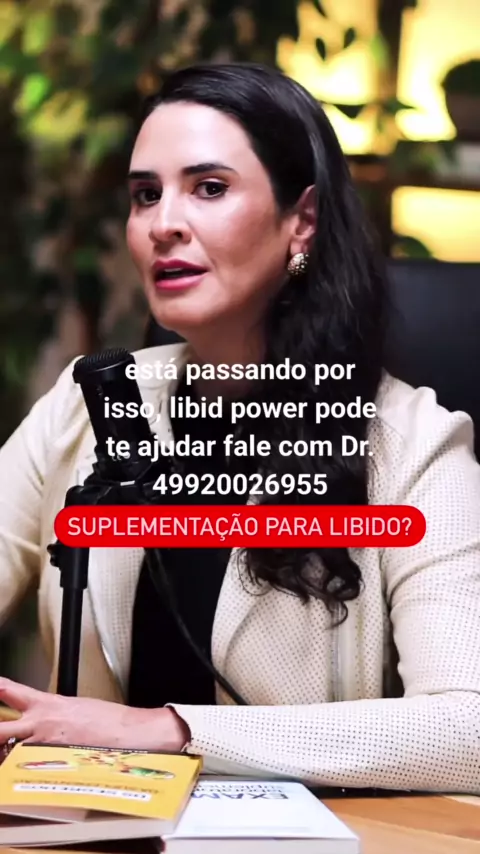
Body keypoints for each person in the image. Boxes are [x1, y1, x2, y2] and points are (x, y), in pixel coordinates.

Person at [0, 62, 479, 792]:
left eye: (209, 188)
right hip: (96, 830)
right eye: (145, 195)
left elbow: (467, 729)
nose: (163, 224)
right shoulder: (87, 403)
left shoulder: (412, 445)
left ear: (302, 221)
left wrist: (170, 729)